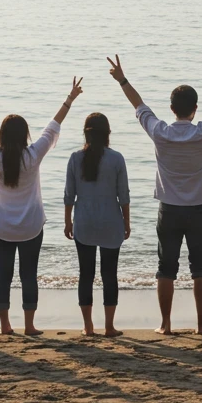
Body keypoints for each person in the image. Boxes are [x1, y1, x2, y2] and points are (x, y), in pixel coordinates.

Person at [108, 52, 202, 336]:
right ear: (194, 109)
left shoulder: (160, 131)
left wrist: (122, 79)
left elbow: (139, 104)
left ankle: (165, 325)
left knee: (166, 268)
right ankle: (201, 325)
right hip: (199, 210)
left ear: (171, 107)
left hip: (169, 209)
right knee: (201, 267)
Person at [0, 76, 82, 336]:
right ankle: (29, 326)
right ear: (25, 134)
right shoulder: (33, 155)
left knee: (3, 274)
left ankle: (5, 326)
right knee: (29, 275)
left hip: (1, 227)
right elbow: (52, 128)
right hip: (31, 227)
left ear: (1, 135)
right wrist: (69, 99)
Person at [63, 112, 131, 337]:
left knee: (86, 274)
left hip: (84, 223)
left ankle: (88, 327)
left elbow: (69, 195)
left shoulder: (75, 158)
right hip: (111, 223)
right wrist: (127, 223)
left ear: (86, 134)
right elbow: (124, 196)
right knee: (110, 274)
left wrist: (67, 222)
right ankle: (110, 327)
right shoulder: (116, 158)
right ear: (108, 134)